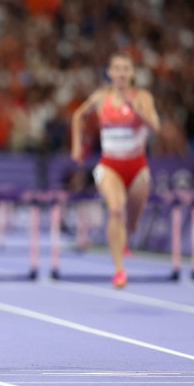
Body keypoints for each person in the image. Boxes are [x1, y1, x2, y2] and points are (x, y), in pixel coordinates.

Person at [70, 52, 160, 288]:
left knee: (132, 222)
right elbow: (79, 114)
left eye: (125, 69)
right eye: (116, 68)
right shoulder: (101, 98)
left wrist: (137, 110)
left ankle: (126, 237)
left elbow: (156, 128)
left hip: (137, 165)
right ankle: (119, 270)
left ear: (132, 73)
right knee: (116, 210)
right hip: (110, 164)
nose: (121, 73)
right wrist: (77, 145)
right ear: (109, 73)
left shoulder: (143, 97)